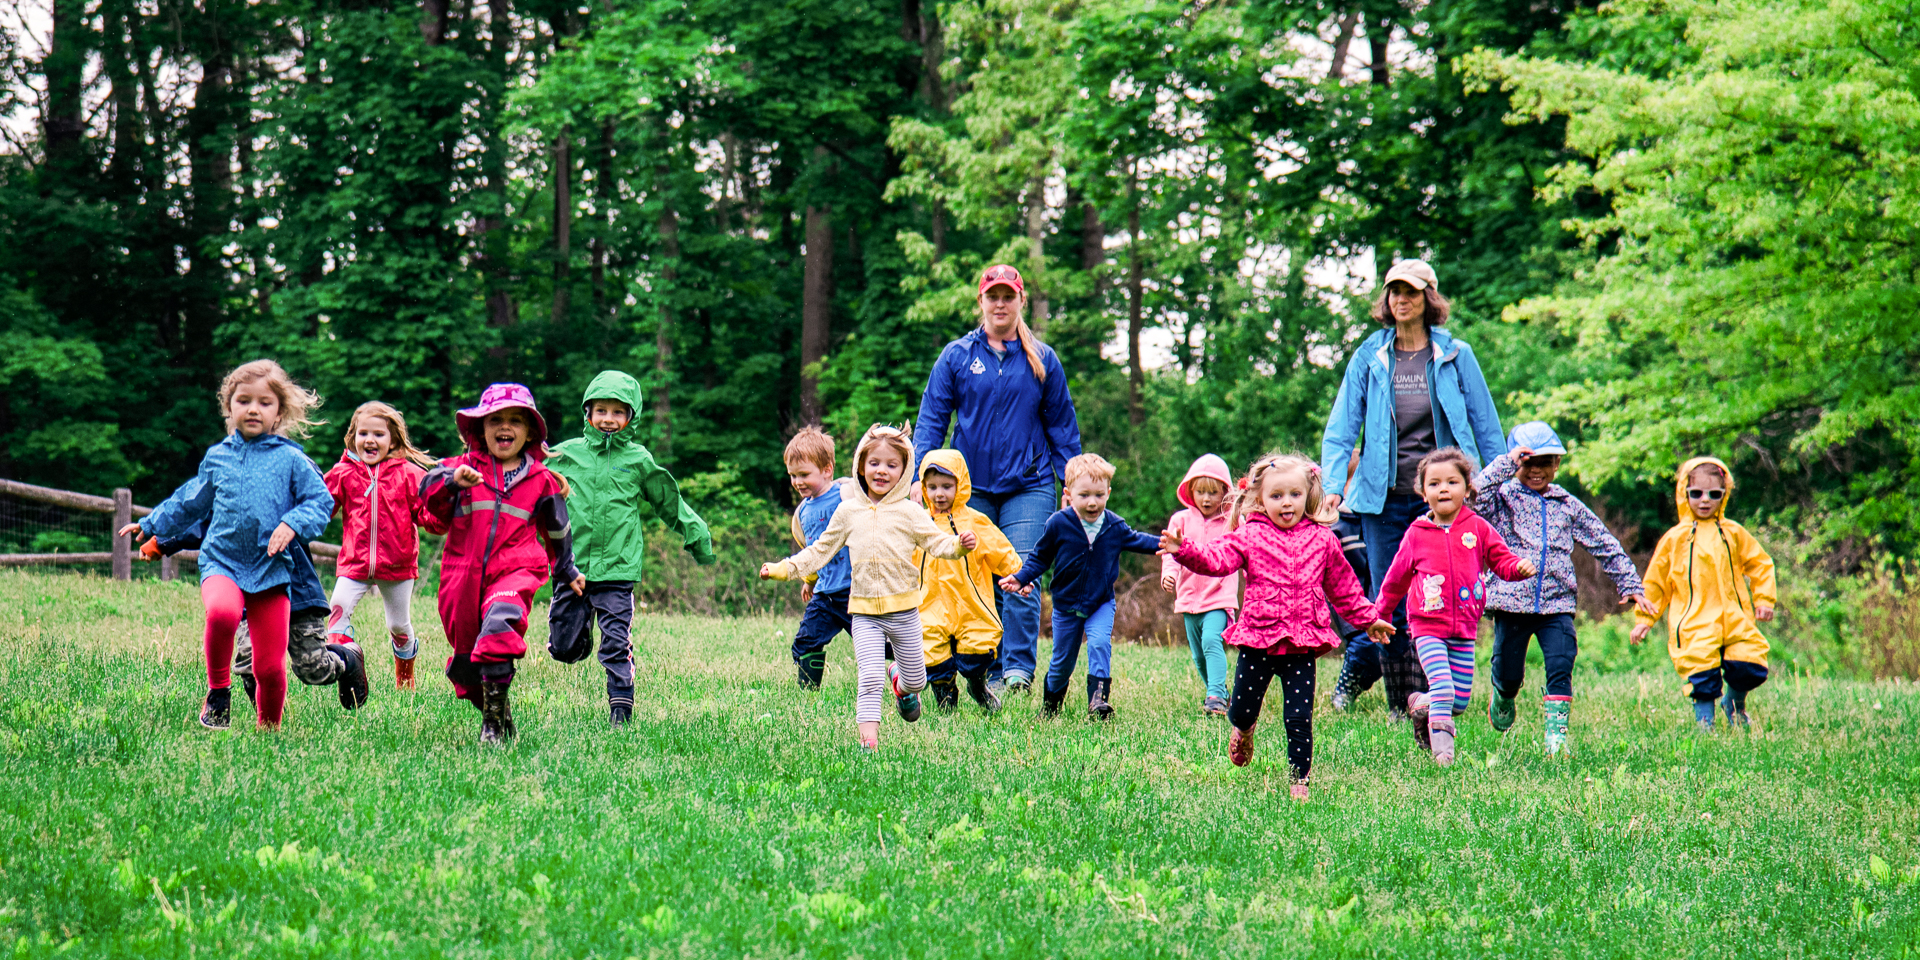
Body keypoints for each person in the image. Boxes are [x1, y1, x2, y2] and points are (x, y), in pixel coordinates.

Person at [1319, 259, 1505, 728]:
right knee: (1389, 599)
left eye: (1412, 292)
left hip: (1441, 500)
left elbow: (1485, 424)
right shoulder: (1369, 356)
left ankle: (1434, 697)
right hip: (1381, 501)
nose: (1402, 300)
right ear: (1387, 300)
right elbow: (1341, 429)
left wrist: (1496, 482)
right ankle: (1402, 705)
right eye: (1394, 292)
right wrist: (1331, 488)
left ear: (1429, 299)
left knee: (1440, 597)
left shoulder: (1455, 354)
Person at [1159, 454, 1393, 801]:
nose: (1286, 503)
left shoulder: (1323, 540)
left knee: (1299, 717)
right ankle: (1243, 728)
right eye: (1277, 495)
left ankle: (1300, 781)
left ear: (1308, 495)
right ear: (1261, 499)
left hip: (1302, 643)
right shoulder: (1249, 535)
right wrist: (1184, 551)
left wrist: (1368, 618)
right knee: (1241, 708)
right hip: (1259, 639)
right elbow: (1217, 559)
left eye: (1294, 495)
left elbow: (1344, 588)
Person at [120, 359, 335, 730]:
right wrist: (153, 523)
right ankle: (218, 692)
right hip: (222, 561)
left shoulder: (291, 460)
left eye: (265, 402)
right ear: (229, 407)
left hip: (271, 570)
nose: (253, 409)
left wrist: (292, 522)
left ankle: (270, 731)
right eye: (243, 400)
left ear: (279, 411)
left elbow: (321, 503)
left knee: (268, 668)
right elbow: (191, 501)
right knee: (222, 612)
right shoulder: (217, 457)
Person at [913, 264, 1082, 695]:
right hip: (966, 489)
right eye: (994, 296)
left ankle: (1018, 672)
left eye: (1009, 296)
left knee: (1022, 571)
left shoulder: (1043, 359)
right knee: (975, 574)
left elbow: (1062, 427)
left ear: (1021, 301)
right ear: (982, 302)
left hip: (1031, 483)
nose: (1001, 303)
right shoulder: (956, 355)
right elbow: (932, 418)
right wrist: (919, 474)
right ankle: (986, 665)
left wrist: (1073, 482)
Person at [761, 425, 976, 750]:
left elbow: (937, 543)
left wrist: (959, 545)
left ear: (904, 471)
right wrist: (785, 569)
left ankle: (903, 688)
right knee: (870, 678)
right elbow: (817, 550)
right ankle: (868, 743)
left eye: (892, 465)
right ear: (861, 465)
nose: (882, 471)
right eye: (874, 463)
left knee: (915, 677)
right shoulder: (849, 510)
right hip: (859, 607)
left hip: (902, 609)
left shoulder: (908, 511)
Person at [546, 371, 715, 726]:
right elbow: (528, 476)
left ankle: (620, 710)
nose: (609, 419)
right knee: (563, 647)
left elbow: (669, 500)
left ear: (631, 417)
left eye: (618, 412)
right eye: (601, 410)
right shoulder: (565, 455)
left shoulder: (637, 459)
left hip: (618, 569)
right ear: (588, 413)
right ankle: (578, 638)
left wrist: (696, 534)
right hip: (572, 567)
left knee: (616, 642)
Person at [1472, 421, 1651, 754]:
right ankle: (1503, 692)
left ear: (1557, 464)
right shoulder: (1501, 498)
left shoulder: (1565, 503)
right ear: (1516, 463)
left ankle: (1556, 740)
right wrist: (1506, 463)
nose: (1537, 469)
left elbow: (1603, 542)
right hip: (1511, 601)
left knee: (1561, 662)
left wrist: (1629, 582)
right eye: (1529, 462)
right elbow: (1471, 497)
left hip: (1557, 604)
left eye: (1546, 461)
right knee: (1509, 673)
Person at [419, 383, 584, 744]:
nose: (504, 427)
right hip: (460, 576)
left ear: (529, 433)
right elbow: (426, 494)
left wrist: (566, 568)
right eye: (495, 419)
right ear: (480, 428)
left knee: (498, 630)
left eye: (514, 420)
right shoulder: (461, 468)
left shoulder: (541, 481)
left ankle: (490, 731)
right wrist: (451, 481)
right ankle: (499, 714)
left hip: (516, 570)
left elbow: (558, 529)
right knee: (467, 664)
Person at [1374, 448, 1536, 766]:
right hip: (1427, 627)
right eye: (1434, 484)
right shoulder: (1416, 535)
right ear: (1423, 492)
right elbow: (1395, 579)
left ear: (1467, 487)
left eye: (1452, 482)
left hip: (1464, 627)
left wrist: (1518, 568)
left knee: (1459, 700)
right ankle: (1443, 756)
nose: (1443, 488)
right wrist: (1379, 615)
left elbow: (1501, 560)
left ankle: (1421, 704)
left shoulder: (1478, 528)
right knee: (1445, 689)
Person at [140, 517, 367, 710]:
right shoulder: (232, 480)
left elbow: (315, 504)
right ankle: (271, 725)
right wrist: (165, 541)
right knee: (250, 666)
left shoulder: (291, 470)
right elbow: (209, 521)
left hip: (297, 591)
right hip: (253, 592)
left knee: (313, 669)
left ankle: (349, 658)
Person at [998, 454, 1160, 721]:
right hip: (1065, 605)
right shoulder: (1059, 524)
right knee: (1062, 662)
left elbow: (1138, 540)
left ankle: (1098, 701)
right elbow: (1039, 557)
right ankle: (1051, 707)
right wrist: (1021, 577)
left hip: (1100, 602)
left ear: (1108, 492)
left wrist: (1166, 546)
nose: (1092, 502)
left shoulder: (1114, 526)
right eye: (1084, 495)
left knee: (1099, 644)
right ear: (1068, 494)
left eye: (1099, 494)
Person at [1630, 457, 1777, 730]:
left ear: (1725, 494)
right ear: (1685, 494)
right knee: (1702, 674)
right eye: (1696, 494)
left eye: (1714, 494)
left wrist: (1764, 599)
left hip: (1735, 617)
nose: (1705, 500)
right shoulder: (1675, 538)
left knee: (1749, 664)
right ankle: (1704, 725)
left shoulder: (1732, 532)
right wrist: (1644, 619)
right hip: (1694, 621)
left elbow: (1760, 563)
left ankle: (1734, 705)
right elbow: (1656, 582)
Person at [323, 401, 435, 690]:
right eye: (362, 434)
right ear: (352, 438)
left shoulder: (409, 474)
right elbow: (322, 506)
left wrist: (444, 515)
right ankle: (349, 665)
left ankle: (405, 673)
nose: (369, 440)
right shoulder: (343, 473)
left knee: (398, 626)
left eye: (378, 434)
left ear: (393, 440)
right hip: (354, 563)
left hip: (397, 565)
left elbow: (427, 513)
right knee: (337, 607)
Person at [916, 450, 1023, 713]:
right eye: (932, 487)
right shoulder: (919, 523)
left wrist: (1020, 575)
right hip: (929, 602)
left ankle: (978, 686)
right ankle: (945, 697)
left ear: (960, 485)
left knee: (976, 654)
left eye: (946, 486)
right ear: (923, 487)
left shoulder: (974, 521)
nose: (939, 494)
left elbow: (1000, 549)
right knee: (932, 655)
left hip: (969, 604)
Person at [1159, 454, 1240, 716]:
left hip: (1219, 596)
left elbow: (1246, 549)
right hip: (1188, 599)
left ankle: (1215, 695)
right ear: (1190, 491)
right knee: (1198, 655)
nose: (1206, 499)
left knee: (1210, 642)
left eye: (1213, 493)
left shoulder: (1233, 521)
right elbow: (1171, 554)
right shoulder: (1180, 520)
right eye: (1201, 492)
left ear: (1225, 493)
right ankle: (1219, 694)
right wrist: (1168, 574)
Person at [782, 427, 860, 690]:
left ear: (827, 470)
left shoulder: (845, 497)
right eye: (793, 475)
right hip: (825, 595)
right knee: (805, 643)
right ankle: (808, 694)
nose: (797, 481)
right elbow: (812, 551)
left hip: (855, 592)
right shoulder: (802, 512)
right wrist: (809, 580)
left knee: (879, 646)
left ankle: (912, 667)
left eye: (804, 474)